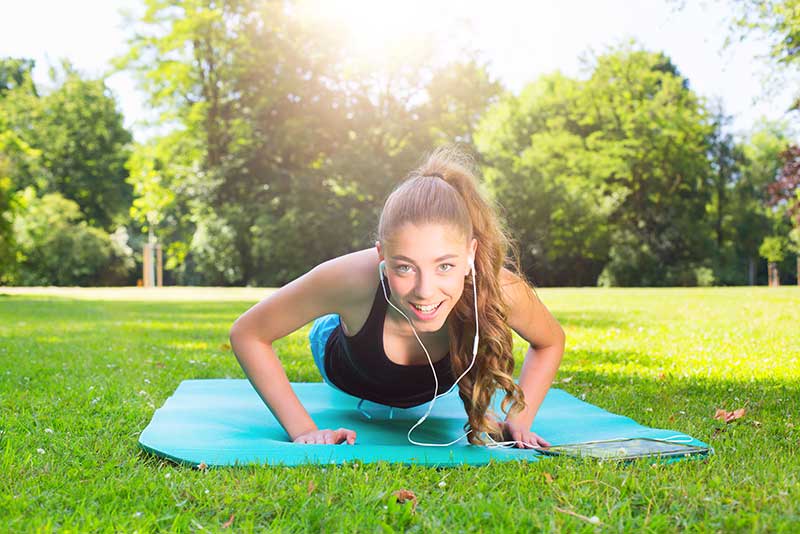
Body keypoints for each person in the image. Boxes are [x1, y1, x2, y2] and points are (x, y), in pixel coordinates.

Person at [229, 146, 565, 449]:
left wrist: (519, 420)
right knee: (346, 313)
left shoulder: (497, 288)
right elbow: (248, 333)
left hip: (407, 364)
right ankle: (356, 306)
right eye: (405, 267)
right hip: (343, 348)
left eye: (444, 265)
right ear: (382, 257)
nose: (425, 289)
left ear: (469, 254)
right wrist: (303, 430)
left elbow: (550, 341)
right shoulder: (350, 278)